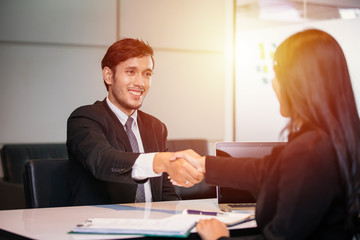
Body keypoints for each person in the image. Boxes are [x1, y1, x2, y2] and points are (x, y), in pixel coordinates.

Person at [173, 29, 360, 239]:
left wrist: (219, 238)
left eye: (277, 75)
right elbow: (263, 171)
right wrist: (204, 164)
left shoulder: (309, 151)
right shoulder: (335, 141)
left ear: (297, 83)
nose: (274, 83)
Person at [66, 38, 202, 206]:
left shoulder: (156, 127)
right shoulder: (85, 118)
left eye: (147, 74)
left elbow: (166, 190)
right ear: (108, 75)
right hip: (104, 224)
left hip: (154, 224)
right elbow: (102, 161)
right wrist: (160, 161)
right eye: (131, 72)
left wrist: (174, 220)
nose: (140, 83)